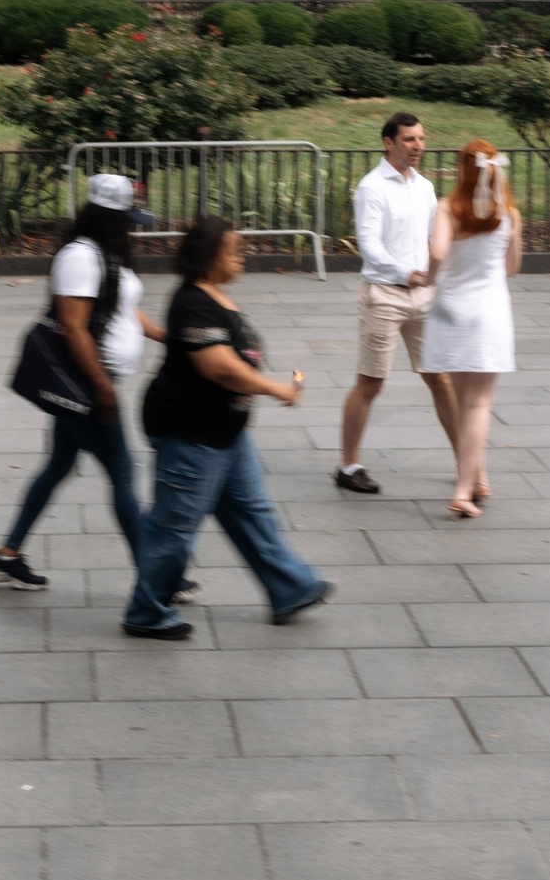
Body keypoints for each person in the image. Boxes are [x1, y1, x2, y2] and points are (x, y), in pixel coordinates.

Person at [123, 216, 333, 638]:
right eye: (233, 249)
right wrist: (277, 389)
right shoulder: (192, 302)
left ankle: (290, 587)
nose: (242, 255)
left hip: (225, 433)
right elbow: (220, 368)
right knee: (174, 527)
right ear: (206, 256)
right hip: (191, 432)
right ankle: (145, 612)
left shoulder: (212, 295)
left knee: (252, 514)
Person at [0, 175, 164, 591]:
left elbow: (127, 309)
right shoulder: (80, 257)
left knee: (58, 465)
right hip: (87, 383)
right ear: (107, 217)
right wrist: (103, 388)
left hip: (97, 380)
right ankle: (155, 575)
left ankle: (7, 555)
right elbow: (74, 327)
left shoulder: (110, 253)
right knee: (123, 471)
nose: (133, 227)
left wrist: (167, 337)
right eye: (127, 219)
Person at [336, 114, 457, 494]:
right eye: (409, 139)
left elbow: (434, 238)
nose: (418, 145)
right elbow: (370, 246)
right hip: (385, 295)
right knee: (370, 383)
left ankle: (466, 461)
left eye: (421, 138)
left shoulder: (424, 186)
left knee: (439, 378)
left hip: (423, 295)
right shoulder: (371, 188)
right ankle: (348, 465)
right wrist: (408, 272)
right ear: (388, 142)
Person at [422, 141, 521, 519]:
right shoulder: (508, 213)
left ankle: (479, 477)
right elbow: (512, 268)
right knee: (479, 404)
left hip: (450, 311)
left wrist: (427, 279)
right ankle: (463, 490)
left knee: (464, 403)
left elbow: (437, 253)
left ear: (463, 170)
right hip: (489, 312)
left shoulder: (448, 208)